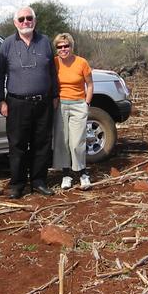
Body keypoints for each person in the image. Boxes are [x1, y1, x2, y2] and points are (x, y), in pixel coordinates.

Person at [0, 6, 59, 199]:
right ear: (15, 23)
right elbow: (0, 76)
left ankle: (39, 181)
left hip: (43, 103)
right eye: (21, 19)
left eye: (29, 18)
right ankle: (18, 184)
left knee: (42, 143)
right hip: (17, 104)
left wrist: (55, 95)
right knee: (18, 145)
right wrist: (1, 100)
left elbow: (52, 72)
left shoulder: (45, 41)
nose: (25, 22)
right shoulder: (7, 44)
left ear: (35, 20)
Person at [52, 33, 94, 190]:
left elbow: (89, 84)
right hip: (61, 105)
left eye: (66, 45)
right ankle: (66, 175)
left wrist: (87, 103)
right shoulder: (54, 63)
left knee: (77, 143)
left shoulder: (81, 62)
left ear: (71, 46)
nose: (63, 49)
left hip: (78, 104)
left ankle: (82, 173)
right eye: (60, 46)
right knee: (63, 142)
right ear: (56, 49)